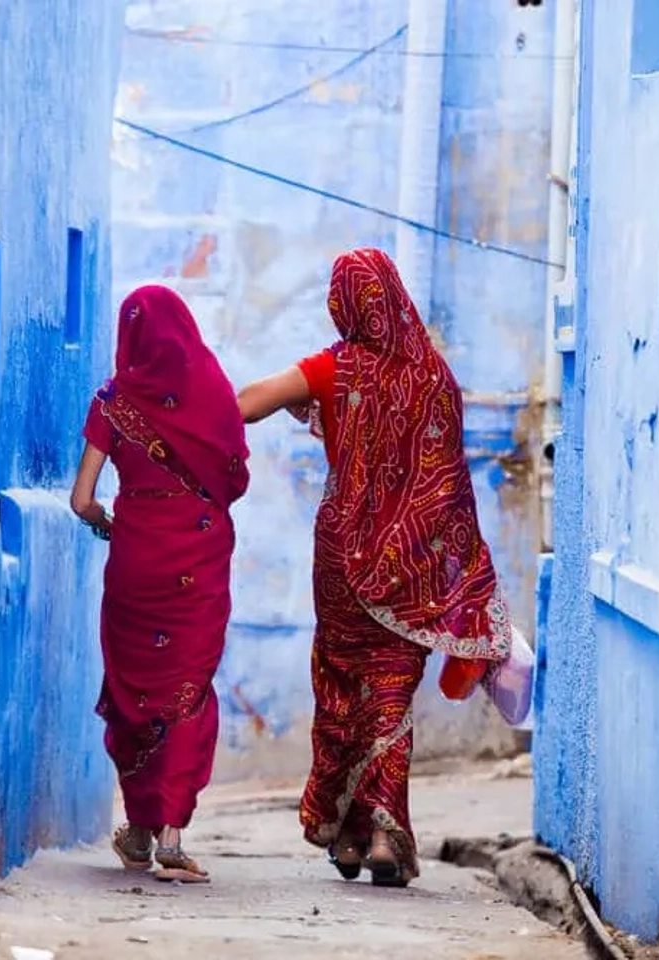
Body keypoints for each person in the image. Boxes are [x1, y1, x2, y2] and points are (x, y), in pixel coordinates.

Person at [236, 247, 513, 888]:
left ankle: (348, 837)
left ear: (343, 304)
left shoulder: (336, 369)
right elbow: (447, 483)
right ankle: (385, 832)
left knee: (342, 687)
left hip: (341, 556)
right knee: (390, 692)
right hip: (413, 561)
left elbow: (248, 403)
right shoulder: (435, 378)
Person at [70, 284, 249, 884]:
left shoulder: (112, 400)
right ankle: (169, 835)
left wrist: (110, 526)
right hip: (197, 557)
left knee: (134, 693)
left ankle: (141, 829)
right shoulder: (215, 393)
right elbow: (235, 478)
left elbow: (82, 500)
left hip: (135, 559)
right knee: (187, 688)